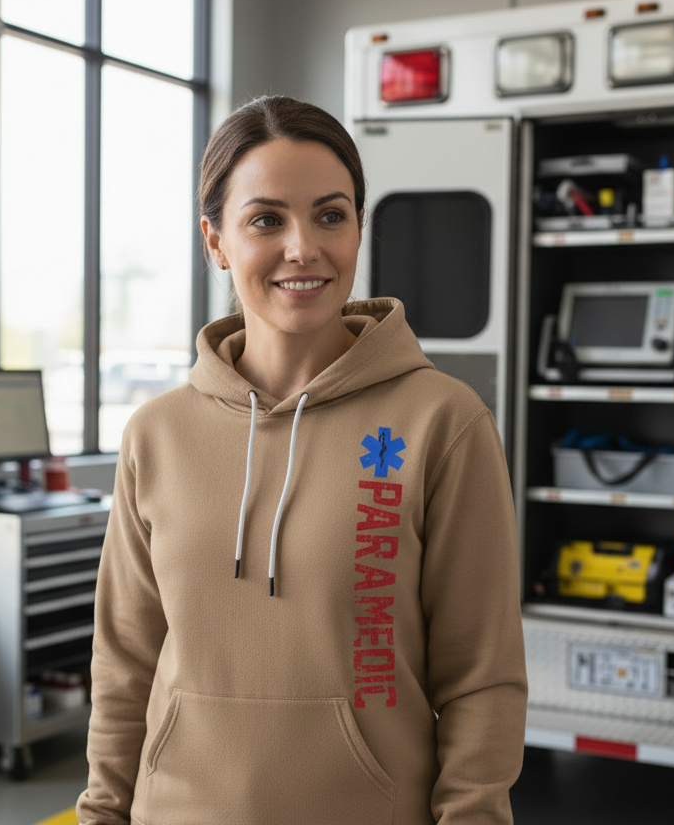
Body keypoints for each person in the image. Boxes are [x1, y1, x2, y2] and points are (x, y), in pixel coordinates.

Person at [76, 95, 527, 825]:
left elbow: (482, 678)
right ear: (215, 241)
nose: (302, 248)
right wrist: (102, 811)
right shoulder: (156, 435)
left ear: (357, 228)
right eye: (265, 220)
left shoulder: (442, 422)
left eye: (330, 214)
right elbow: (124, 663)